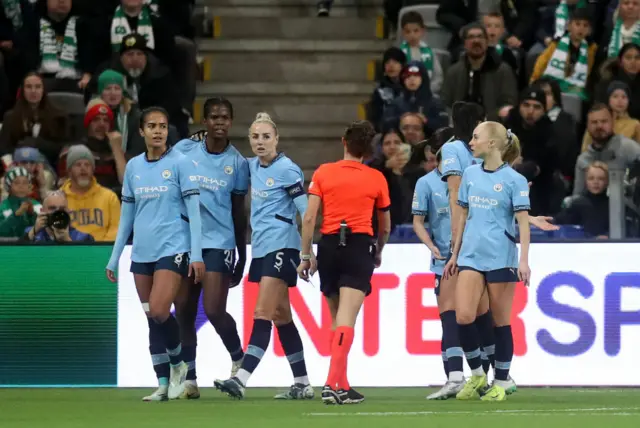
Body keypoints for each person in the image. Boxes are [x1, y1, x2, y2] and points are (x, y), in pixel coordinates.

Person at [105, 106, 205, 402]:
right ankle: (163, 383)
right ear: (141, 131)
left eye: (162, 126)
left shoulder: (182, 163)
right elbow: (126, 217)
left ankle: (179, 364)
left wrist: (196, 254)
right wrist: (114, 257)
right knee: (152, 318)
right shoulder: (134, 167)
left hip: (173, 248)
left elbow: (195, 214)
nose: (158, 131)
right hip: (142, 252)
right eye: (152, 126)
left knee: (161, 310)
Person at [214, 113, 313, 400]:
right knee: (282, 317)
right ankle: (303, 383)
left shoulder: (288, 170)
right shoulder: (250, 167)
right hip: (261, 248)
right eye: (255, 137)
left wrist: (307, 252)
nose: (260, 142)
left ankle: (241, 379)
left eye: (266, 137)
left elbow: (306, 212)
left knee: (262, 313)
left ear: (276, 140)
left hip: (283, 247)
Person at [298, 120, 390, 405]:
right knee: (347, 321)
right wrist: (378, 251)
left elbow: (310, 217)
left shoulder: (324, 172)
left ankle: (342, 383)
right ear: (368, 150)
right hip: (358, 246)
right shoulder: (376, 178)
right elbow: (384, 226)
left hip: (328, 247)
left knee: (336, 321)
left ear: (344, 142)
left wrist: (305, 254)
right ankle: (330, 383)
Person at [444, 122, 531, 402]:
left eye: (476, 137)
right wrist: (455, 255)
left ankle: (503, 381)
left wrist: (524, 261)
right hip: (470, 255)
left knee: (500, 322)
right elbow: (462, 217)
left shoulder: (514, 180)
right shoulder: (469, 174)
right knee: (464, 316)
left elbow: (523, 224)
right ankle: (479, 375)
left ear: (492, 144)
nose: (471, 142)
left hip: (501, 257)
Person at [172, 97, 248, 399]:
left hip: (220, 242)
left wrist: (242, 255)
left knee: (215, 310)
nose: (219, 122)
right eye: (214, 117)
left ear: (231, 122)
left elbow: (238, 211)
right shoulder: (185, 150)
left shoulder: (238, 163)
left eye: (225, 118)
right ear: (204, 122)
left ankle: (239, 357)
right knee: (184, 313)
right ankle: (190, 379)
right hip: (186, 242)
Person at [412, 131, 465, 400]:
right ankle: (454, 376)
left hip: (470, 258)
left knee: (474, 318)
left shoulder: (469, 176)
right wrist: (430, 245)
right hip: (442, 261)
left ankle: (486, 376)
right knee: (449, 317)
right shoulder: (425, 183)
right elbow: (418, 221)